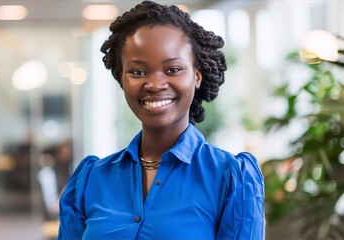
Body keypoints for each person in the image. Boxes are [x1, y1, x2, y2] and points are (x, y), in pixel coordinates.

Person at [58, 1, 265, 239]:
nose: (155, 85)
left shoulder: (230, 178)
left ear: (196, 76)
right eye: (137, 72)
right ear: (121, 78)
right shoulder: (91, 179)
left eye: (173, 69)